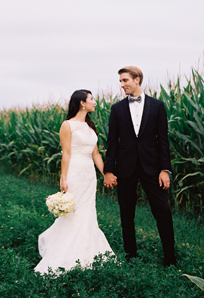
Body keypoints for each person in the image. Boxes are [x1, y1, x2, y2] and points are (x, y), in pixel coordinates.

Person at [103, 66, 177, 266]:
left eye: (125, 80)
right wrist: (109, 170)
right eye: (120, 81)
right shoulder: (117, 109)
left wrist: (165, 170)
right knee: (126, 212)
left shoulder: (157, 106)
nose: (122, 85)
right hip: (125, 167)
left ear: (137, 80)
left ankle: (170, 258)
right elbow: (112, 142)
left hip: (152, 167)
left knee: (162, 210)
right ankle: (131, 255)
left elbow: (163, 140)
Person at [35, 89, 114, 274]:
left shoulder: (90, 126)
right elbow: (67, 153)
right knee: (74, 212)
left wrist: (106, 174)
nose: (94, 102)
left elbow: (95, 154)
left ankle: (89, 249)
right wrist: (63, 178)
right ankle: (64, 251)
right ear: (81, 102)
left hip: (89, 174)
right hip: (74, 171)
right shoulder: (67, 125)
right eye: (91, 99)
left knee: (88, 211)